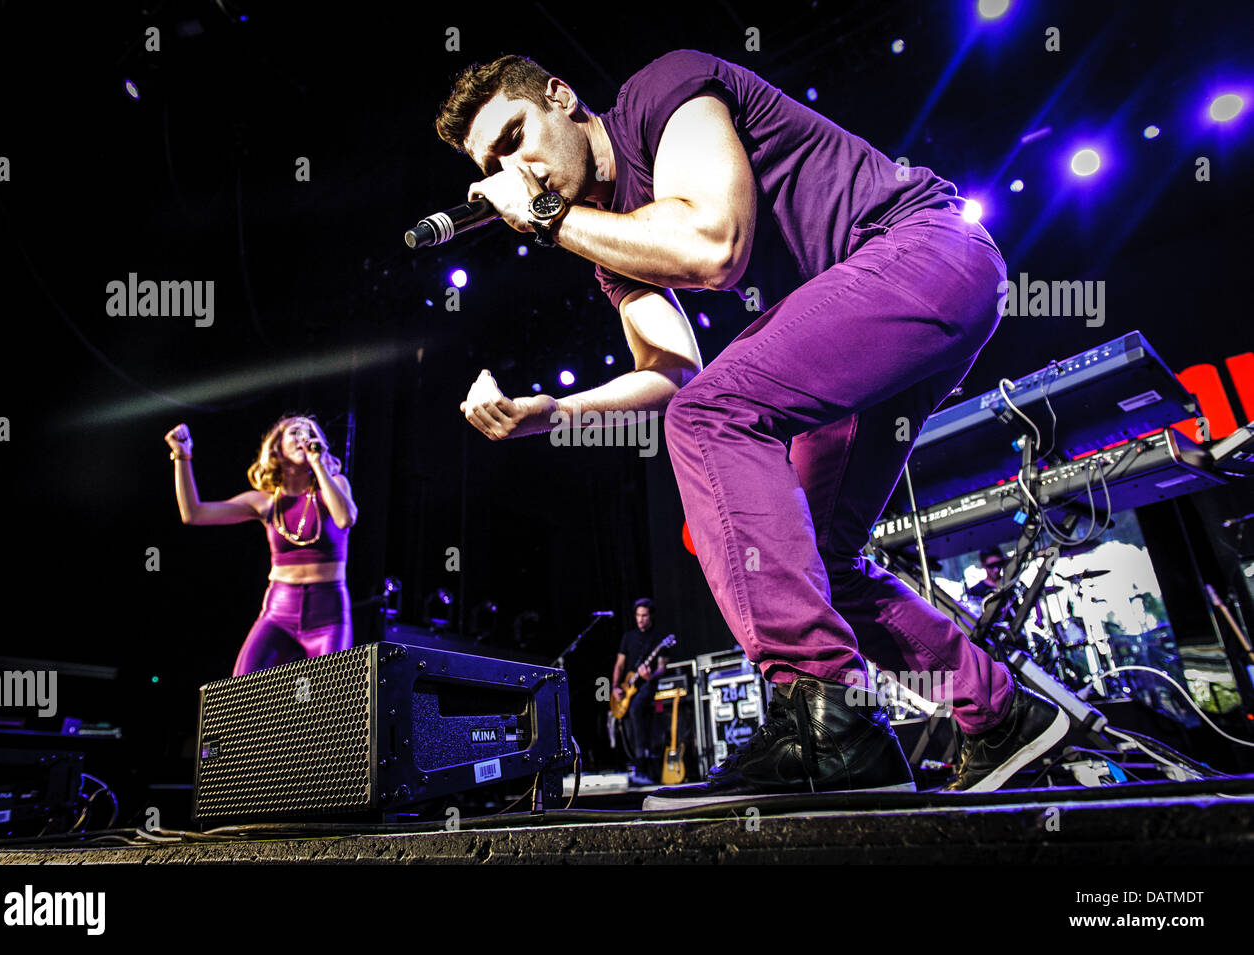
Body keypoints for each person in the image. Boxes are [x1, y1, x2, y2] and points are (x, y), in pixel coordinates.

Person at [437, 49, 1068, 804]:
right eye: (492, 161)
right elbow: (670, 372)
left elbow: (715, 246)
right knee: (815, 565)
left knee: (713, 419)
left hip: (924, 252)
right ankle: (999, 713)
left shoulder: (659, 95)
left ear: (561, 97)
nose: (515, 167)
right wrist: (555, 413)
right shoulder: (611, 249)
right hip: (871, 326)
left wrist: (548, 218)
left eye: (514, 138)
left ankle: (823, 715)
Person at [165, 416, 358, 676]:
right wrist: (182, 457)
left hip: (328, 612)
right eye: (294, 433)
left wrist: (318, 465)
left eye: (309, 432)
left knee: (323, 700)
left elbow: (345, 518)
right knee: (242, 688)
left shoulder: (335, 485)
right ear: (277, 449)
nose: (303, 437)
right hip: (279, 609)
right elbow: (194, 513)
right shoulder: (265, 502)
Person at [611, 598, 669, 783]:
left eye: (644, 615)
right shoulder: (628, 637)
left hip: (647, 685)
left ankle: (643, 765)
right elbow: (619, 665)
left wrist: (650, 676)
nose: (641, 619)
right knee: (626, 720)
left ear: (651, 616)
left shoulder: (659, 638)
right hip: (627, 687)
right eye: (638, 615)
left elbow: (662, 668)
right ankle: (634, 764)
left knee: (636, 709)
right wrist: (614, 687)